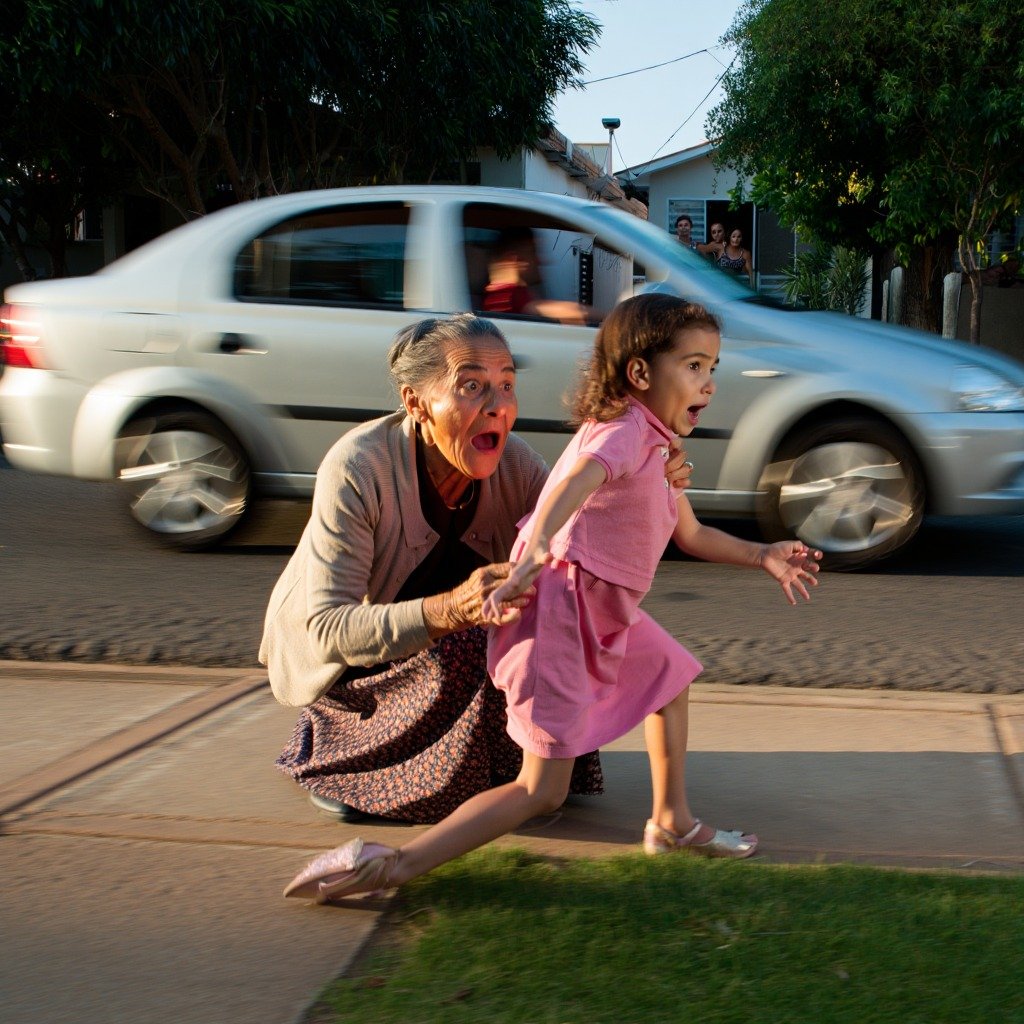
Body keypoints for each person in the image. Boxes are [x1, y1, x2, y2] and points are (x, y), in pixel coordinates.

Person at [283, 293, 822, 904]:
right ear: (641, 373)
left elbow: (689, 532)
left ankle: (671, 820)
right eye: (695, 367)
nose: (709, 384)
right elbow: (568, 487)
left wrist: (762, 555)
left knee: (670, 677)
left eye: (712, 369)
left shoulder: (653, 442)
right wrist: (535, 552)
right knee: (542, 792)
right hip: (561, 615)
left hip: (601, 612)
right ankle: (394, 865)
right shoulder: (619, 437)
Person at [262, 313, 690, 825]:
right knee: (473, 643)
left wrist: (653, 479)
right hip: (359, 681)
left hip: (447, 660)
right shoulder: (359, 467)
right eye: (471, 386)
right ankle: (365, 772)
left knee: (545, 631)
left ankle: (515, 777)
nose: (498, 406)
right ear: (415, 403)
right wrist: (453, 608)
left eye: (507, 385)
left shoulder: (518, 467)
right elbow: (331, 631)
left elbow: (586, 540)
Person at [481, 226, 590, 325]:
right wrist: (604, 316)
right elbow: (570, 312)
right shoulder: (511, 294)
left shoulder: (493, 293)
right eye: (533, 252)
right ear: (515, 259)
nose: (540, 261)